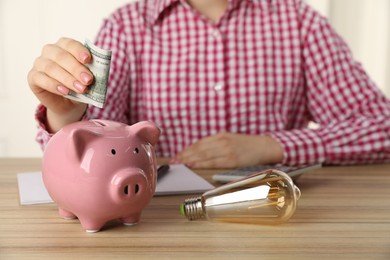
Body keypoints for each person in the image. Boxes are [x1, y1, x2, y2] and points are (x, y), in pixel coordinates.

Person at [28, 0, 390, 169]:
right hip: (157, 224)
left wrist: (272, 146)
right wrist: (66, 115)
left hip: (281, 216)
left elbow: (381, 128)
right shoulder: (126, 27)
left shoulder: (300, 22)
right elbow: (92, 150)